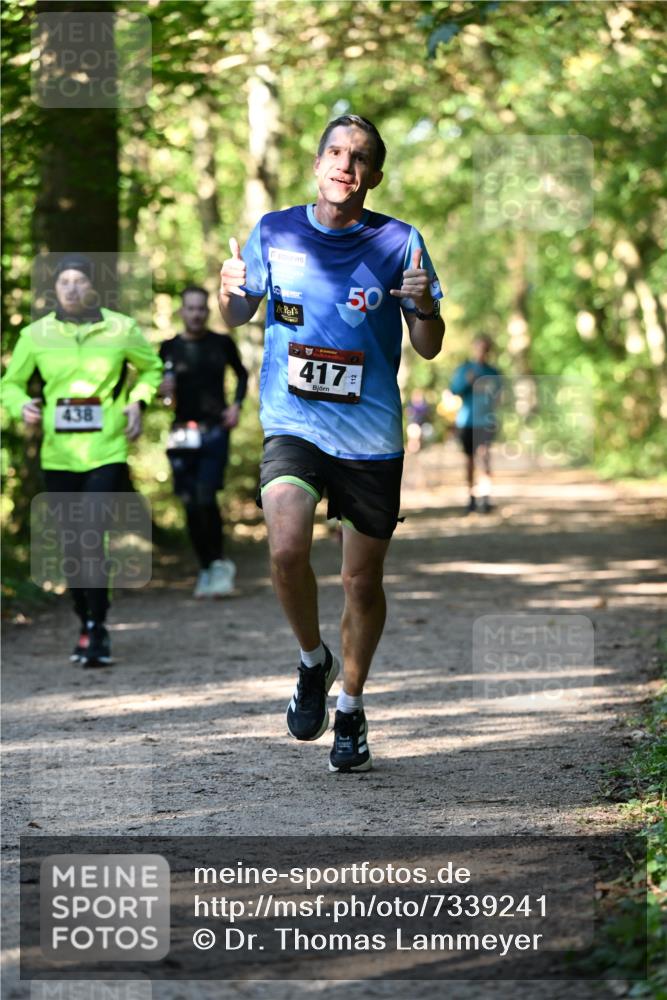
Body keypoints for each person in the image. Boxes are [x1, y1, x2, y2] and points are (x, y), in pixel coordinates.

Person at [218, 114, 444, 772]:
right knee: (287, 549)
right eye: (336, 152)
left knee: (359, 581)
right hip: (294, 423)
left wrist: (426, 306)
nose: (346, 164)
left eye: (360, 157)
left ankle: (350, 705)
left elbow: (428, 346)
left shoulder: (400, 242)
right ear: (317, 164)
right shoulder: (275, 230)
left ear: (375, 176)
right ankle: (311, 660)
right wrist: (229, 291)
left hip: (370, 436)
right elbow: (239, 312)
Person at [0, 254, 163, 665]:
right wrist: (21, 406)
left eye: (79, 281)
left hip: (106, 451)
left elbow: (152, 370)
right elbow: (10, 384)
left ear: (93, 287)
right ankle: (84, 619)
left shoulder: (121, 328)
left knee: (92, 534)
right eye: (64, 282)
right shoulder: (36, 335)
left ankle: (98, 624)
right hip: (58, 456)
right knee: (71, 545)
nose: (71, 288)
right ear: (54, 289)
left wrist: (137, 402)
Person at [159, 285, 248, 598]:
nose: (196, 314)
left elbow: (242, 374)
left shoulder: (221, 343)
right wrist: (161, 391)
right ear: (181, 311)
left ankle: (219, 563)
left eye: (200, 308)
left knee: (205, 496)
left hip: (214, 430)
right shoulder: (168, 348)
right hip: (181, 431)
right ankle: (206, 566)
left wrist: (236, 406)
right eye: (190, 308)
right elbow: (158, 389)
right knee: (189, 502)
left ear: (208, 311)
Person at [450, 334, 502, 514]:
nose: (482, 352)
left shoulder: (493, 372)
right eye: (479, 348)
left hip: (486, 421)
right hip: (466, 421)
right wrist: (468, 382)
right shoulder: (464, 369)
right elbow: (454, 390)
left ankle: (485, 498)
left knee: (485, 457)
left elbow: (498, 397)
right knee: (470, 460)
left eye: (485, 349)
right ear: (474, 348)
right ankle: (471, 498)